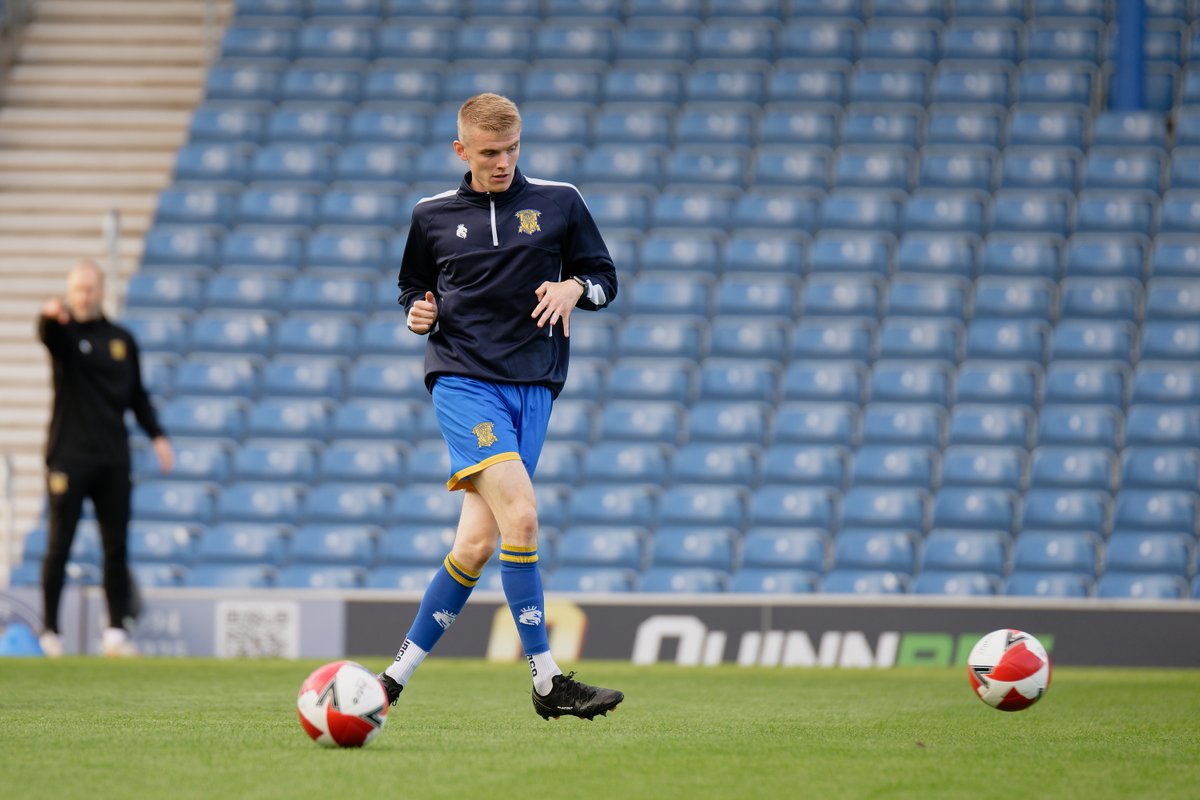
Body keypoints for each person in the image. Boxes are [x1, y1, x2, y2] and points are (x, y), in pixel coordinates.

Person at [379, 93, 623, 721]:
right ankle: (547, 680)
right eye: (490, 152)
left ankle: (390, 681)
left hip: (534, 387)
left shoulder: (560, 203)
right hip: (464, 383)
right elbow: (413, 286)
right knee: (522, 519)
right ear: (461, 151)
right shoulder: (430, 216)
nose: (503, 162)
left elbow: (604, 279)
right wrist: (418, 311)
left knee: (478, 546)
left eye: (512, 149)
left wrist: (575, 287)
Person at [36, 260, 174, 658]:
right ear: (70, 292)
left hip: (113, 458)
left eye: (90, 289)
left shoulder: (121, 340)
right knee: (58, 545)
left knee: (116, 547)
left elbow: (138, 396)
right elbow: (46, 335)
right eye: (77, 289)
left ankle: (115, 632)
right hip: (69, 456)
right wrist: (48, 317)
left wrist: (158, 436)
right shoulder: (63, 335)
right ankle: (50, 632)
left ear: (101, 290)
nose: (84, 296)